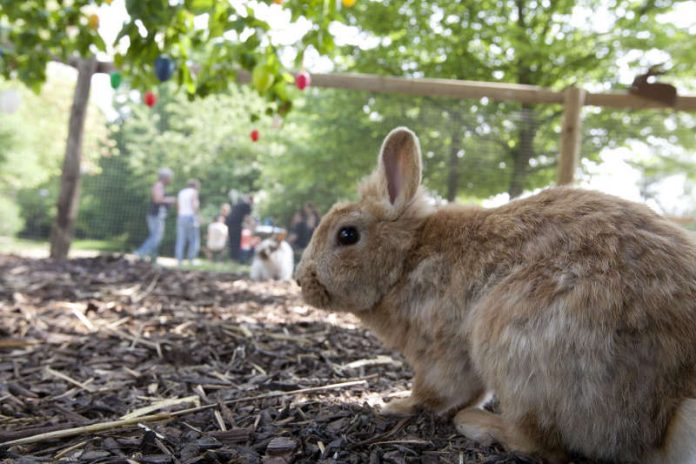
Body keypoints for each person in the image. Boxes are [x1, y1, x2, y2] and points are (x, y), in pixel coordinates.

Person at [135, 168, 175, 262]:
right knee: (156, 236)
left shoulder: (160, 186)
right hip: (155, 215)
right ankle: (140, 252)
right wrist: (170, 199)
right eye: (170, 177)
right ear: (165, 177)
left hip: (158, 216)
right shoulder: (158, 186)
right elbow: (157, 199)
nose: (171, 180)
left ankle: (153, 257)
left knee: (156, 236)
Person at [175, 179, 201, 266]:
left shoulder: (181, 192)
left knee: (181, 239)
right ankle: (191, 259)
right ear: (195, 186)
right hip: (190, 216)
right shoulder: (194, 192)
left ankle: (179, 260)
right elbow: (194, 205)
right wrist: (197, 216)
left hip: (181, 216)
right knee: (193, 240)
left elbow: (178, 205)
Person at [226, 194, 253, 262]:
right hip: (236, 225)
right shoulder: (247, 206)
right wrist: (251, 227)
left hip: (230, 224)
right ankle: (235, 258)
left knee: (232, 241)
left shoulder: (238, 204)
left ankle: (232, 258)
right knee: (236, 241)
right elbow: (247, 218)